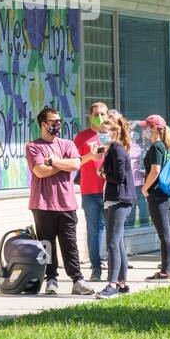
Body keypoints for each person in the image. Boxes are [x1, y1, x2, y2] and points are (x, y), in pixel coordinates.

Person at [26, 106, 94, 296]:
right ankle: (51, 280)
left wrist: (53, 162)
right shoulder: (34, 146)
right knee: (46, 244)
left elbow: (76, 163)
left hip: (66, 202)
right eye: (53, 122)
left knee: (69, 243)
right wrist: (62, 164)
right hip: (42, 203)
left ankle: (77, 280)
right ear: (43, 124)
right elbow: (39, 171)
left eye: (59, 121)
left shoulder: (67, 144)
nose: (58, 125)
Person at [95, 114, 136, 298]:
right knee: (118, 243)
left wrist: (103, 174)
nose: (101, 135)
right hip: (115, 199)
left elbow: (119, 178)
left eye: (104, 132)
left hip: (119, 200)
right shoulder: (111, 149)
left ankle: (111, 284)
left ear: (113, 133)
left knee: (111, 243)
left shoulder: (117, 150)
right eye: (100, 132)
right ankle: (122, 283)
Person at [74, 100, 110, 283]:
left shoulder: (112, 136)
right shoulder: (81, 138)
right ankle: (96, 268)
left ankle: (114, 268)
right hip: (89, 191)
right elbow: (74, 162)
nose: (100, 118)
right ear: (90, 117)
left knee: (112, 230)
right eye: (96, 115)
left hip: (110, 191)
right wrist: (90, 156)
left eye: (103, 114)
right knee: (93, 230)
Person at [139, 115, 170, 280]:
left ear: (154, 128)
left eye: (147, 127)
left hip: (157, 196)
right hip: (166, 195)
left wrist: (145, 188)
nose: (145, 130)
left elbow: (155, 170)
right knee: (166, 234)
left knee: (164, 235)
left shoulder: (157, 147)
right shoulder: (165, 146)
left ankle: (165, 271)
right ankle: (166, 269)